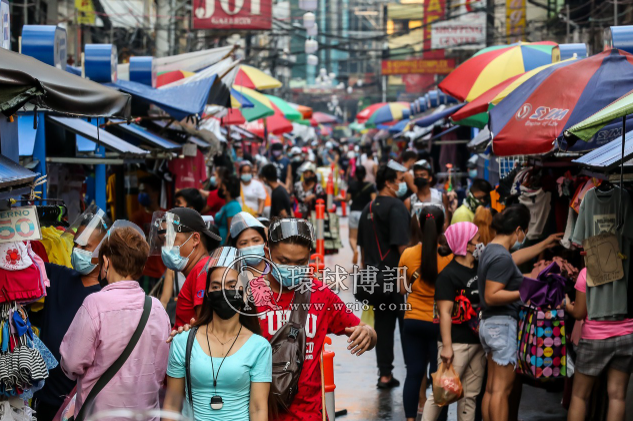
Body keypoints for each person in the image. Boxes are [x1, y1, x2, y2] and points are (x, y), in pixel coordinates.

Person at [170, 218, 377, 421]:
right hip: (256, 412)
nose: (293, 269)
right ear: (267, 253)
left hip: (308, 414)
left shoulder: (321, 295)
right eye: (284, 261)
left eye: (300, 262)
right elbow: (214, 334)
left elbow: (364, 329)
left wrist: (368, 334)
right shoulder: (247, 293)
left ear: (309, 258)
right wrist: (188, 332)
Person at [59, 223, 170, 417]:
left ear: (106, 261)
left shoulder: (95, 304)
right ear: (141, 266)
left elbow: (71, 363)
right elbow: (161, 371)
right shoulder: (157, 308)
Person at [164, 247, 271, 421]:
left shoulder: (259, 347)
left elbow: (258, 409)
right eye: (216, 286)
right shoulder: (182, 342)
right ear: (207, 293)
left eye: (231, 285)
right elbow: (171, 406)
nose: (224, 291)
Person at [32, 207, 109, 421]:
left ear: (103, 253)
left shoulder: (106, 296)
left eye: (85, 246)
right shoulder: (57, 276)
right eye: (75, 244)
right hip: (44, 398)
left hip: (80, 405)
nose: (77, 250)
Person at [422, 222, 485, 421]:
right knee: (441, 396)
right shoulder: (447, 276)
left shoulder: (481, 269)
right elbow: (445, 312)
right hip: (456, 345)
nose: (480, 244)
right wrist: (447, 347)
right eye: (476, 241)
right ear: (466, 245)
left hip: (478, 344)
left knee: (470, 397)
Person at [357, 160, 410, 389]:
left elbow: (362, 252)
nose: (402, 184)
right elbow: (403, 249)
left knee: (383, 326)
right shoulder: (396, 207)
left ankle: (385, 375)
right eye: (399, 180)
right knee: (407, 325)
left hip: (372, 279)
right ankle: (415, 375)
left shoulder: (366, 209)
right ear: (389, 183)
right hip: (396, 278)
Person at [398, 206, 452, 421]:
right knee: (440, 377)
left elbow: (401, 289)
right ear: (443, 226)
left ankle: (411, 419)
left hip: (412, 321)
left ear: (419, 225)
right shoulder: (449, 257)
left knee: (413, 374)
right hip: (440, 323)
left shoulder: (407, 254)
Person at [478, 205, 530, 421]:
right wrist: (524, 291)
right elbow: (492, 295)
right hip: (502, 326)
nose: (524, 236)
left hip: (490, 325)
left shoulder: (490, 249)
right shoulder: (502, 257)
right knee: (502, 391)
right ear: (518, 230)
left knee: (491, 389)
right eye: (525, 231)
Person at [565, 268, 633, 421]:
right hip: (627, 335)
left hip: (594, 338)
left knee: (579, 396)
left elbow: (579, 313)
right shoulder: (626, 266)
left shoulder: (586, 272)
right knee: (617, 396)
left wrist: (567, 304)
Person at [155, 207, 222, 328]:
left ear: (195, 239)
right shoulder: (200, 270)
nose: (165, 247)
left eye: (171, 239)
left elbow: (206, 329)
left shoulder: (202, 271)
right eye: (163, 241)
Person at [405, 159, 451, 229]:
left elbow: (446, 221)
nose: (419, 177)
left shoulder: (440, 197)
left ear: (430, 178)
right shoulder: (409, 201)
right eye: (416, 175)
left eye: (422, 175)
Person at [345, 166, 376, 265]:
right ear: (365, 175)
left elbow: (347, 199)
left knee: (352, 237)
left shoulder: (351, 185)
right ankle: (363, 261)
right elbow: (373, 200)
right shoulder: (370, 186)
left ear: (355, 175)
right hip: (365, 213)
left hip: (354, 212)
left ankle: (355, 250)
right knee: (365, 238)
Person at [215, 175, 242, 243]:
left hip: (224, 244)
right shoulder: (227, 205)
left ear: (229, 189)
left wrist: (226, 247)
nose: (220, 188)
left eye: (222, 186)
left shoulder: (233, 206)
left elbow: (231, 231)